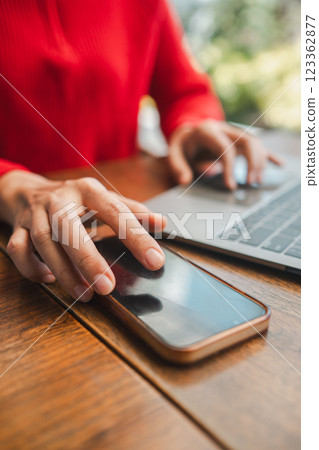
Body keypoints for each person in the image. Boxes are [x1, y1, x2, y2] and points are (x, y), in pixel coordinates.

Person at [0, 0, 280, 301]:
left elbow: (185, 91)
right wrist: (11, 184)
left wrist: (193, 124)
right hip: (19, 242)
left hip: (124, 217)